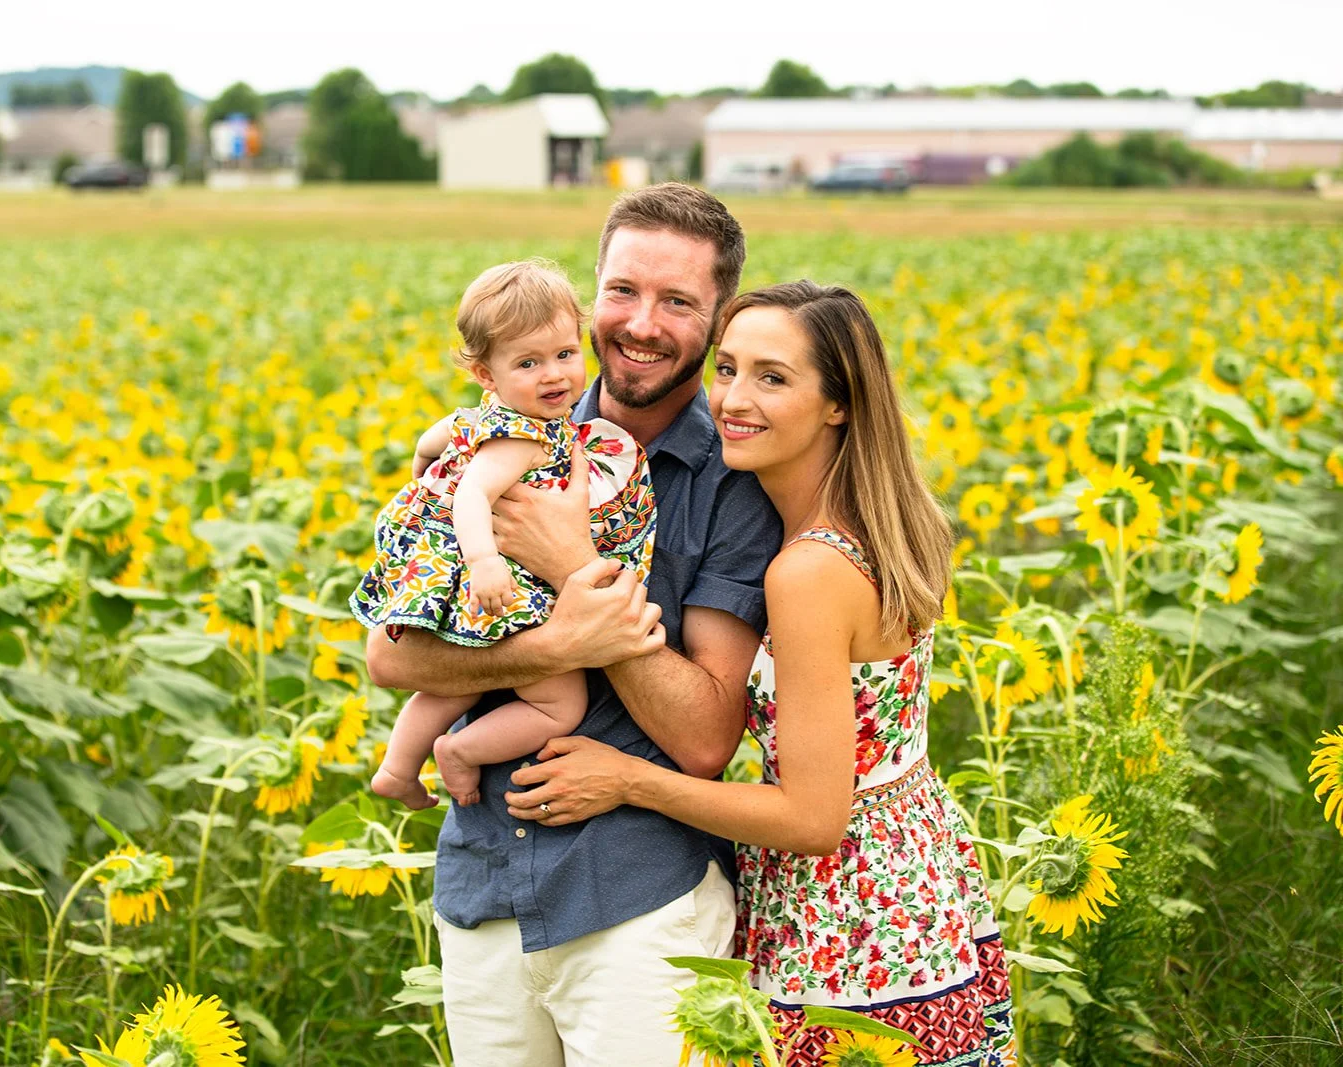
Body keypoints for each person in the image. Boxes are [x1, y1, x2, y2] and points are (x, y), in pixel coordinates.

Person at [507, 282, 1019, 1066]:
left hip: (849, 922)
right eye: (728, 369)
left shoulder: (807, 573)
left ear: (838, 404)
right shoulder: (880, 522)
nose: (734, 400)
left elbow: (815, 817)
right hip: (917, 888)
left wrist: (627, 780)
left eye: (772, 378)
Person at [365, 183, 781, 1065]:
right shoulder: (501, 433)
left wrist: (569, 564)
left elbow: (706, 735)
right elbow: (392, 658)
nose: (641, 323)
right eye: (623, 290)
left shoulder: (736, 483)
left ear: (717, 319)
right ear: (592, 290)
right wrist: (560, 645)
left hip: (637, 895)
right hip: (483, 885)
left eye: (678, 302)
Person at [350, 259, 655, 809]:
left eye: (565, 355)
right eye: (529, 363)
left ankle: (397, 767)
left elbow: (432, 439)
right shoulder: (526, 436)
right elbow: (472, 495)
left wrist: (424, 470)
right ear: (487, 375)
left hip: (469, 582)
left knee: (454, 682)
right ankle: (462, 752)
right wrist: (486, 562)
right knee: (558, 706)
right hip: (503, 584)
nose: (554, 375)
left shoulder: (484, 415)